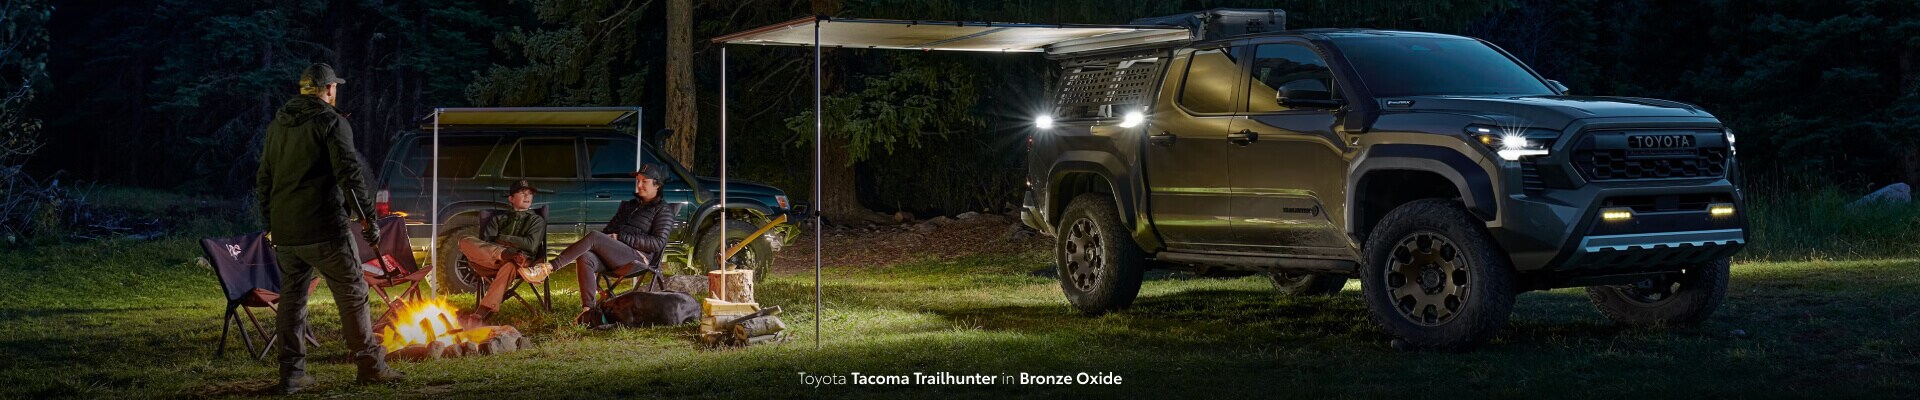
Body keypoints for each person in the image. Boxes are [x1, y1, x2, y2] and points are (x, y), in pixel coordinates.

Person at [254, 63, 403, 394]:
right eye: (335, 87)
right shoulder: (331, 122)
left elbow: (264, 179)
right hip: (324, 227)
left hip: (287, 231)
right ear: (328, 89)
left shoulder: (278, 125)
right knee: (352, 293)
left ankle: (292, 375)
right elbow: (349, 175)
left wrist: (271, 223)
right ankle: (370, 366)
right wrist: (368, 220)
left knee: (292, 300)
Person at [528, 164, 675, 324]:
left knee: (594, 236)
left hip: (637, 259)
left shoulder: (663, 210)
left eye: (644, 181)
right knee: (585, 256)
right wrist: (609, 239)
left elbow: (658, 243)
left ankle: (548, 268)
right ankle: (588, 312)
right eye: (638, 180)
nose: (639, 185)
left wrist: (620, 237)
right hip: (617, 255)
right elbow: (609, 230)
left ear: (657, 185)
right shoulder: (629, 205)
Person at [456, 180, 551, 322]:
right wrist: (507, 251)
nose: (527, 196)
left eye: (530, 193)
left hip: (521, 263)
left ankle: (481, 312)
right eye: (522, 192)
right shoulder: (497, 220)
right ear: (511, 198)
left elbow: (531, 245)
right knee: (464, 240)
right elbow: (486, 244)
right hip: (492, 260)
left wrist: (502, 238)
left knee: (510, 266)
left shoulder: (536, 220)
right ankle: (507, 255)